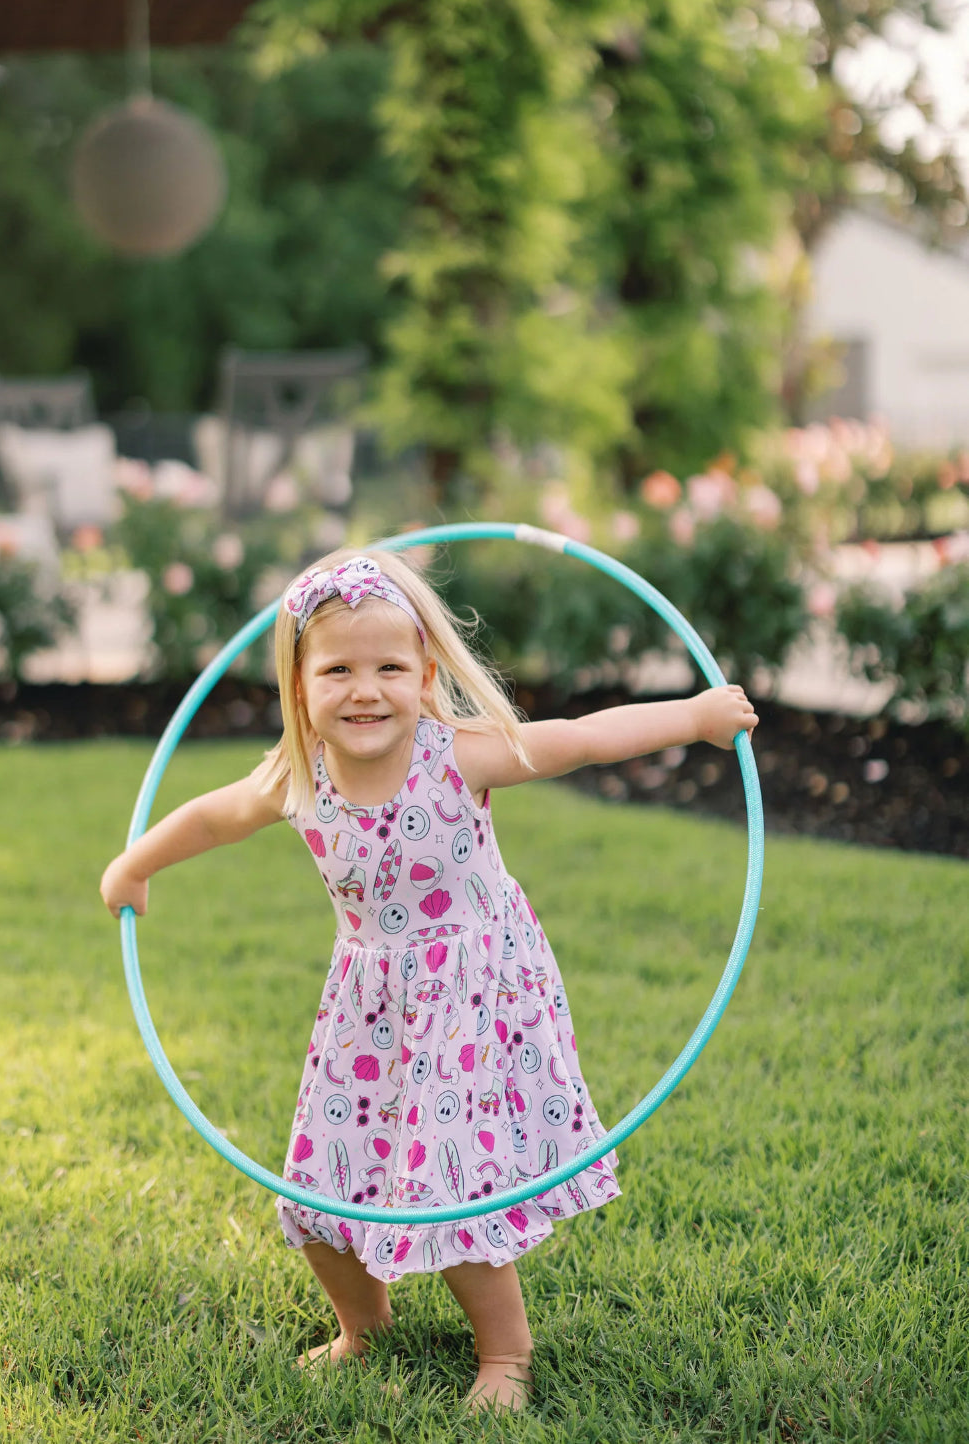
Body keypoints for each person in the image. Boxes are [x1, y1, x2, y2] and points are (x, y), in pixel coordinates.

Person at [100, 548, 758, 1413]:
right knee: (317, 1181)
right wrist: (135, 865)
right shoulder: (297, 777)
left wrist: (697, 715)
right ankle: (362, 1327)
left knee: (445, 1179)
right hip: (366, 1008)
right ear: (298, 685)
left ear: (426, 674)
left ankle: (506, 1357)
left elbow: (586, 738)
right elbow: (213, 817)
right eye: (337, 668)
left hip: (474, 987)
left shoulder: (461, 758)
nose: (364, 689)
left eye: (389, 668)